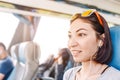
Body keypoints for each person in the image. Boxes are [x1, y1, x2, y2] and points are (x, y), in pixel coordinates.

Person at [63, 9, 120, 80]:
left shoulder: (115, 77)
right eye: (70, 36)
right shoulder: (69, 74)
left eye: (81, 34)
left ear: (101, 40)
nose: (71, 44)